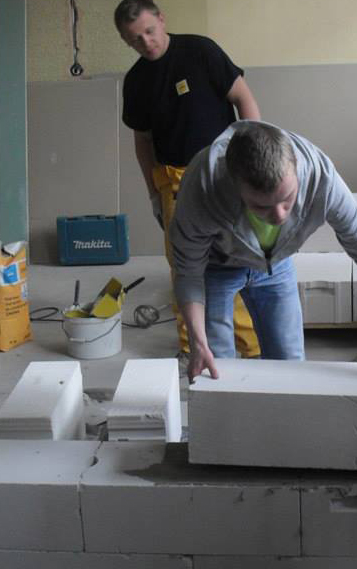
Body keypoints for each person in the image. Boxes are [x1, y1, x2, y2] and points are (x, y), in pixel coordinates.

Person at [169, 120, 357, 388]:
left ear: (296, 170)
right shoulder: (202, 186)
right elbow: (188, 272)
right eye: (261, 206)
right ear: (235, 186)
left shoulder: (321, 179)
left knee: (291, 368)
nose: (279, 215)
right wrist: (198, 343)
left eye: (287, 198)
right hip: (216, 266)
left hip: (276, 264)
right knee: (217, 371)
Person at [114, 0, 262, 363]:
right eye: (135, 39)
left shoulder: (200, 51)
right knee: (184, 267)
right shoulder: (136, 82)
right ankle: (192, 347)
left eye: (149, 31)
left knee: (235, 260)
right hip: (174, 182)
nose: (146, 43)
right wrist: (153, 194)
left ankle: (251, 349)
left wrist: (253, 158)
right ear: (125, 40)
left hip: (224, 174)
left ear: (161, 20)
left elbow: (243, 99)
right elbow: (143, 141)